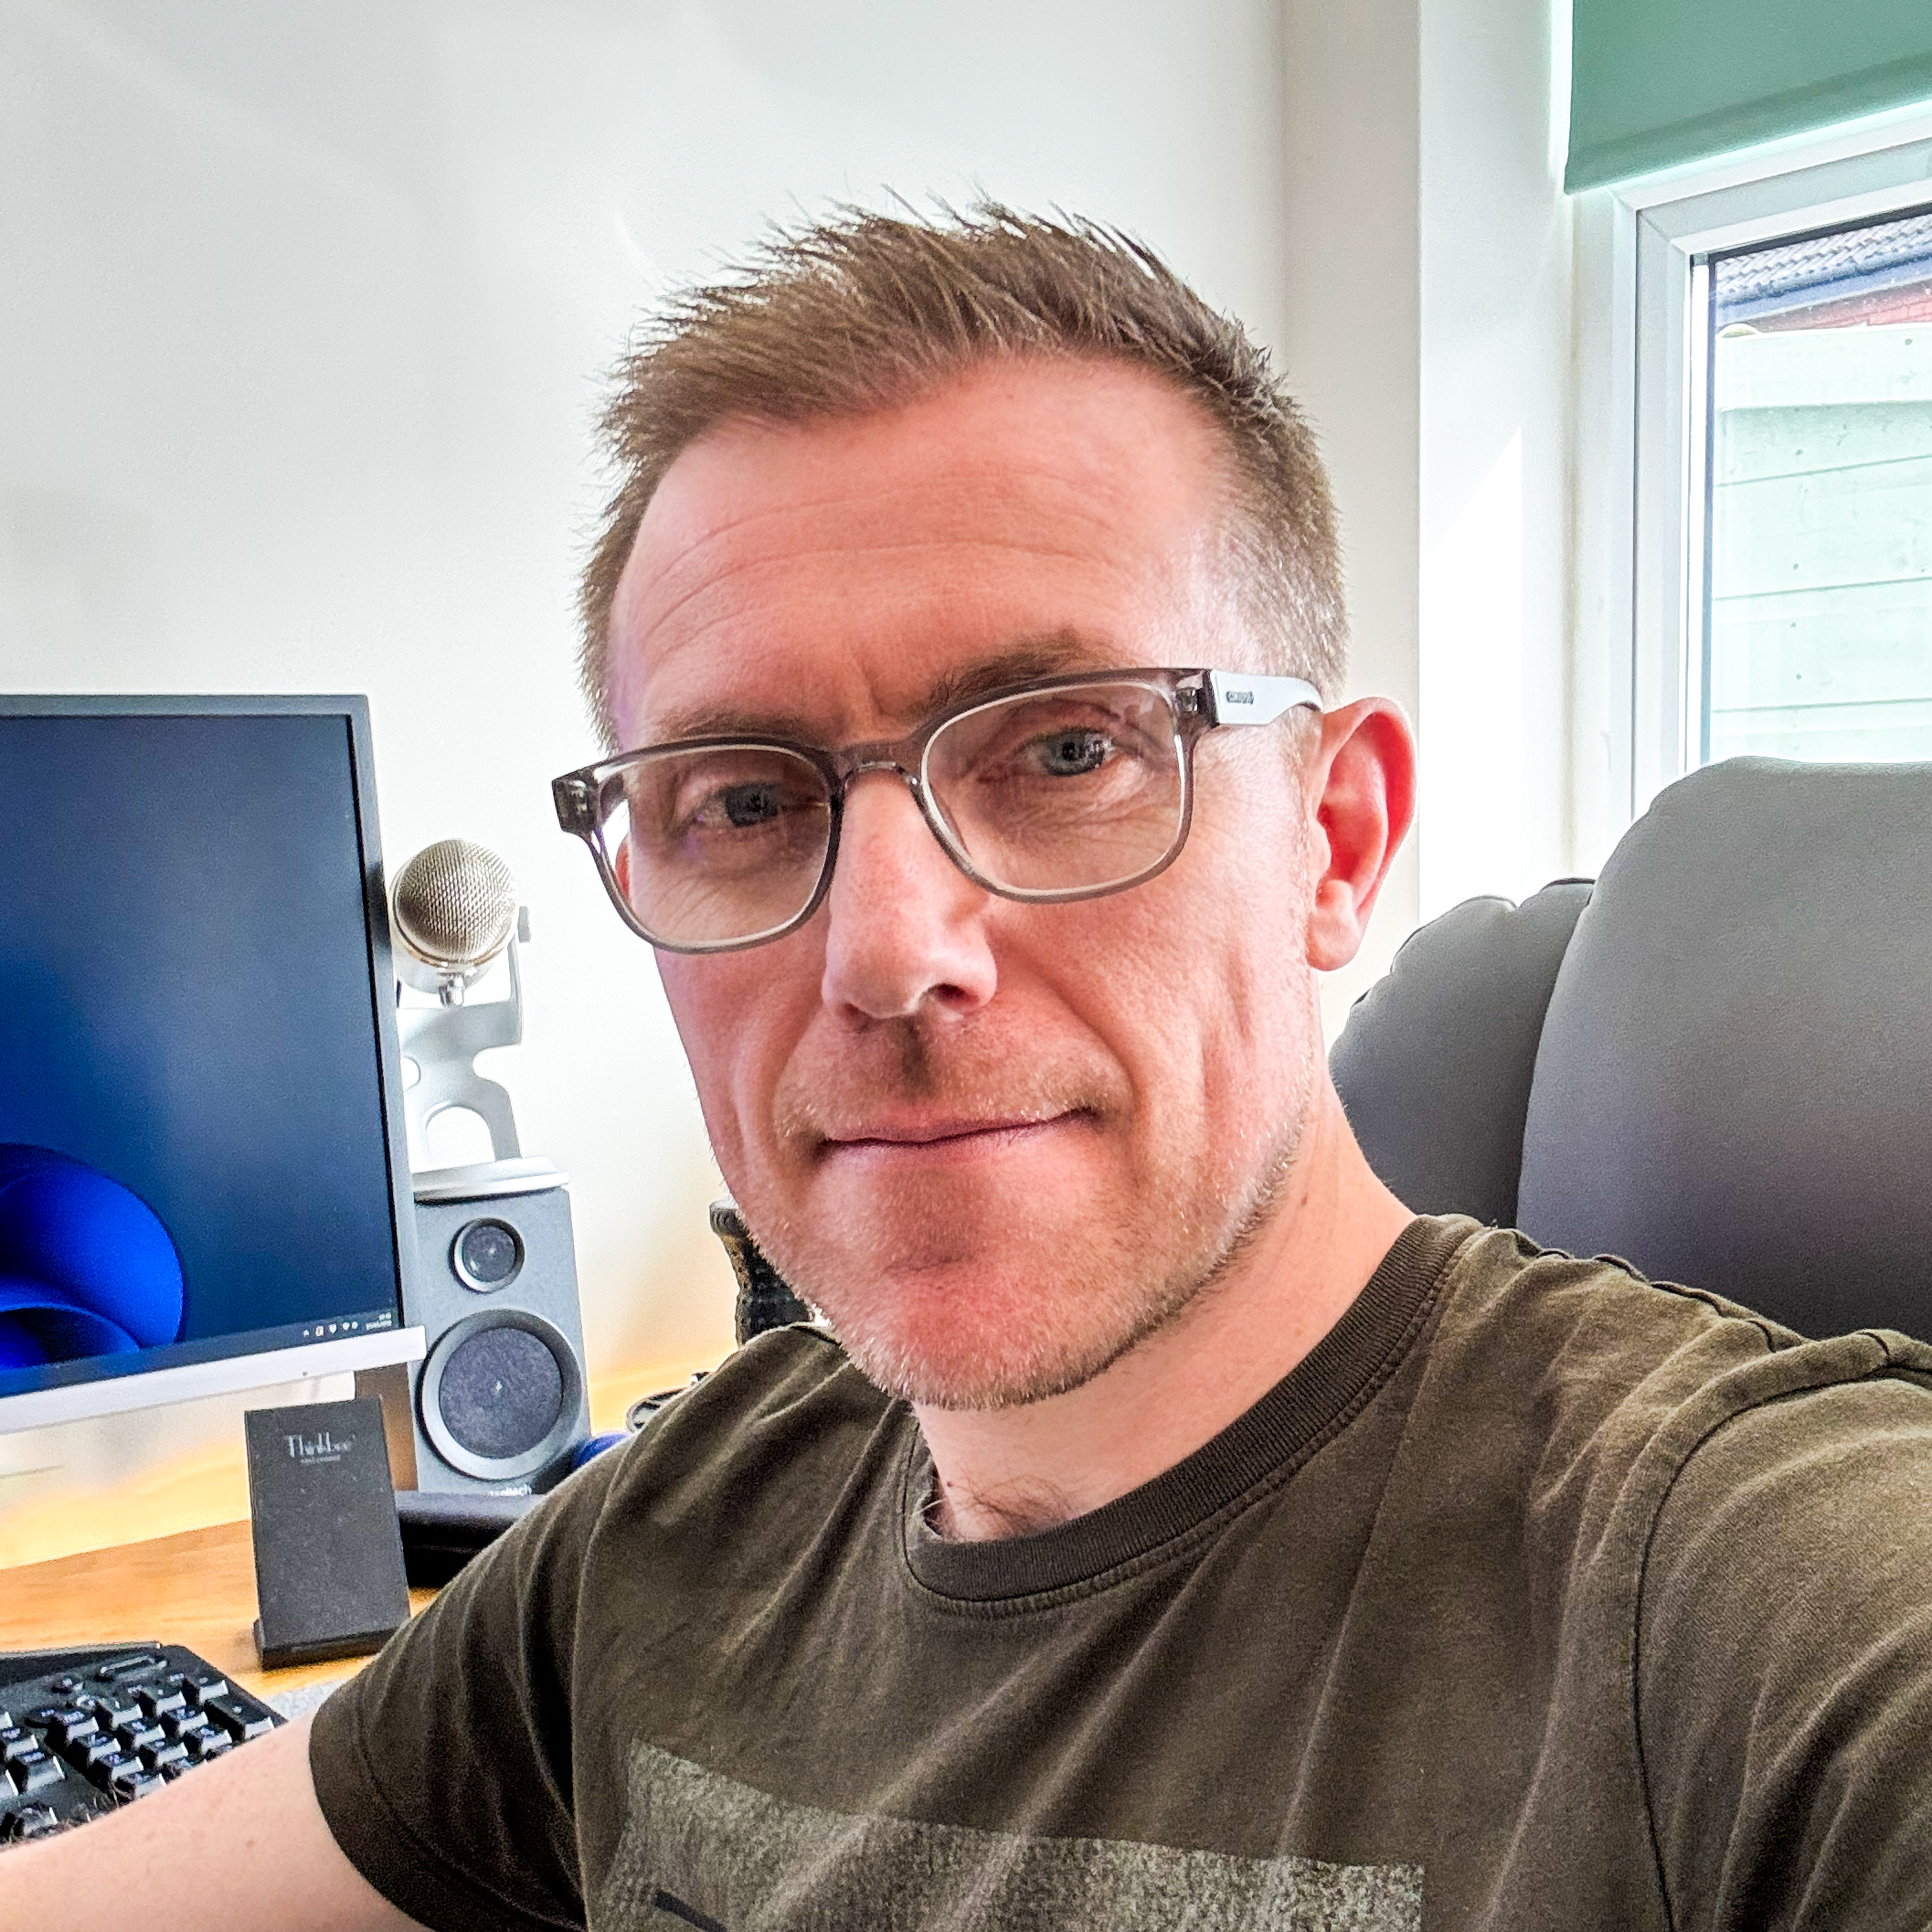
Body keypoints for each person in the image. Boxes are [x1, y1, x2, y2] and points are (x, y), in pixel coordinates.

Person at [10, 206, 1932, 1931]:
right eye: (744, 799)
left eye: (1071, 748)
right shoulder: (676, 1534)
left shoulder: (1754, 1596)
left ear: (1332, 842)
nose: (883, 949)